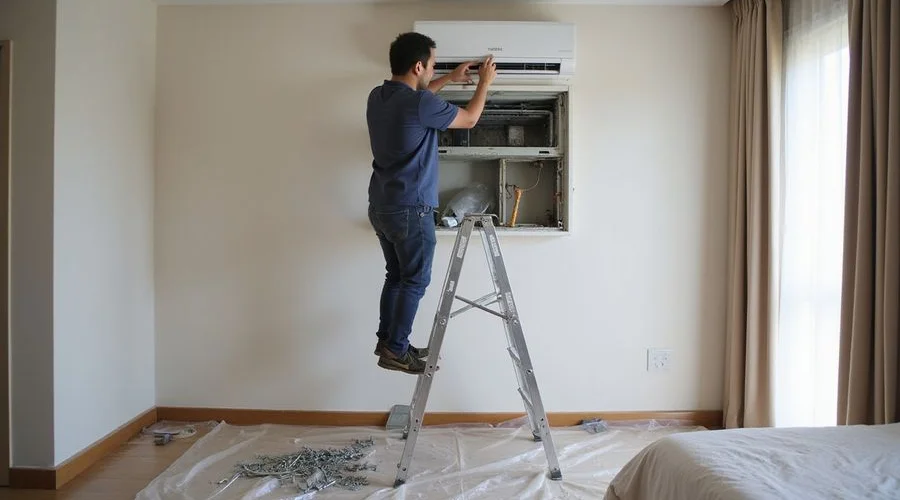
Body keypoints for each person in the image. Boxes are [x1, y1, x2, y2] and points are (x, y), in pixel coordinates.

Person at [366, 32, 497, 374]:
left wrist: (450, 78)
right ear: (419, 65)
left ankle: (388, 341)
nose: (434, 71)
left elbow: (420, 98)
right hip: (411, 208)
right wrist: (484, 82)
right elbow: (469, 119)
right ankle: (395, 348)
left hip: (381, 205)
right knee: (414, 280)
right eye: (434, 66)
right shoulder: (420, 104)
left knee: (396, 276)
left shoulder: (377, 97)